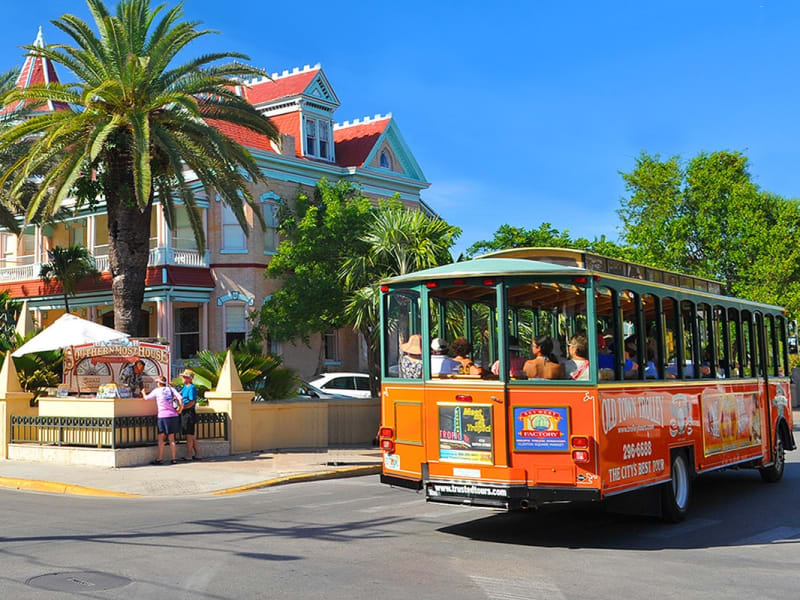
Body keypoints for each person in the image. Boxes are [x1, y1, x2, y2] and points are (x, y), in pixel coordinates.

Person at [143, 375, 182, 465]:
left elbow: (147, 398)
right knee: (171, 438)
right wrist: (180, 409)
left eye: (157, 382)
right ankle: (174, 459)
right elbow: (180, 398)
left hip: (163, 416)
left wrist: (143, 392)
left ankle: (159, 458)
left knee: (161, 438)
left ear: (159, 383)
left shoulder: (157, 391)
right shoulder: (171, 389)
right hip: (173, 416)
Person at [179, 369, 201, 461]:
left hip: (189, 412)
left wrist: (182, 408)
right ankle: (198, 454)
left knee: (189, 435)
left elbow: (192, 402)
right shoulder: (184, 387)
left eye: (185, 377)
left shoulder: (191, 388)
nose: (183, 378)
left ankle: (189, 454)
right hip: (185, 411)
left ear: (189, 378)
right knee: (191, 435)